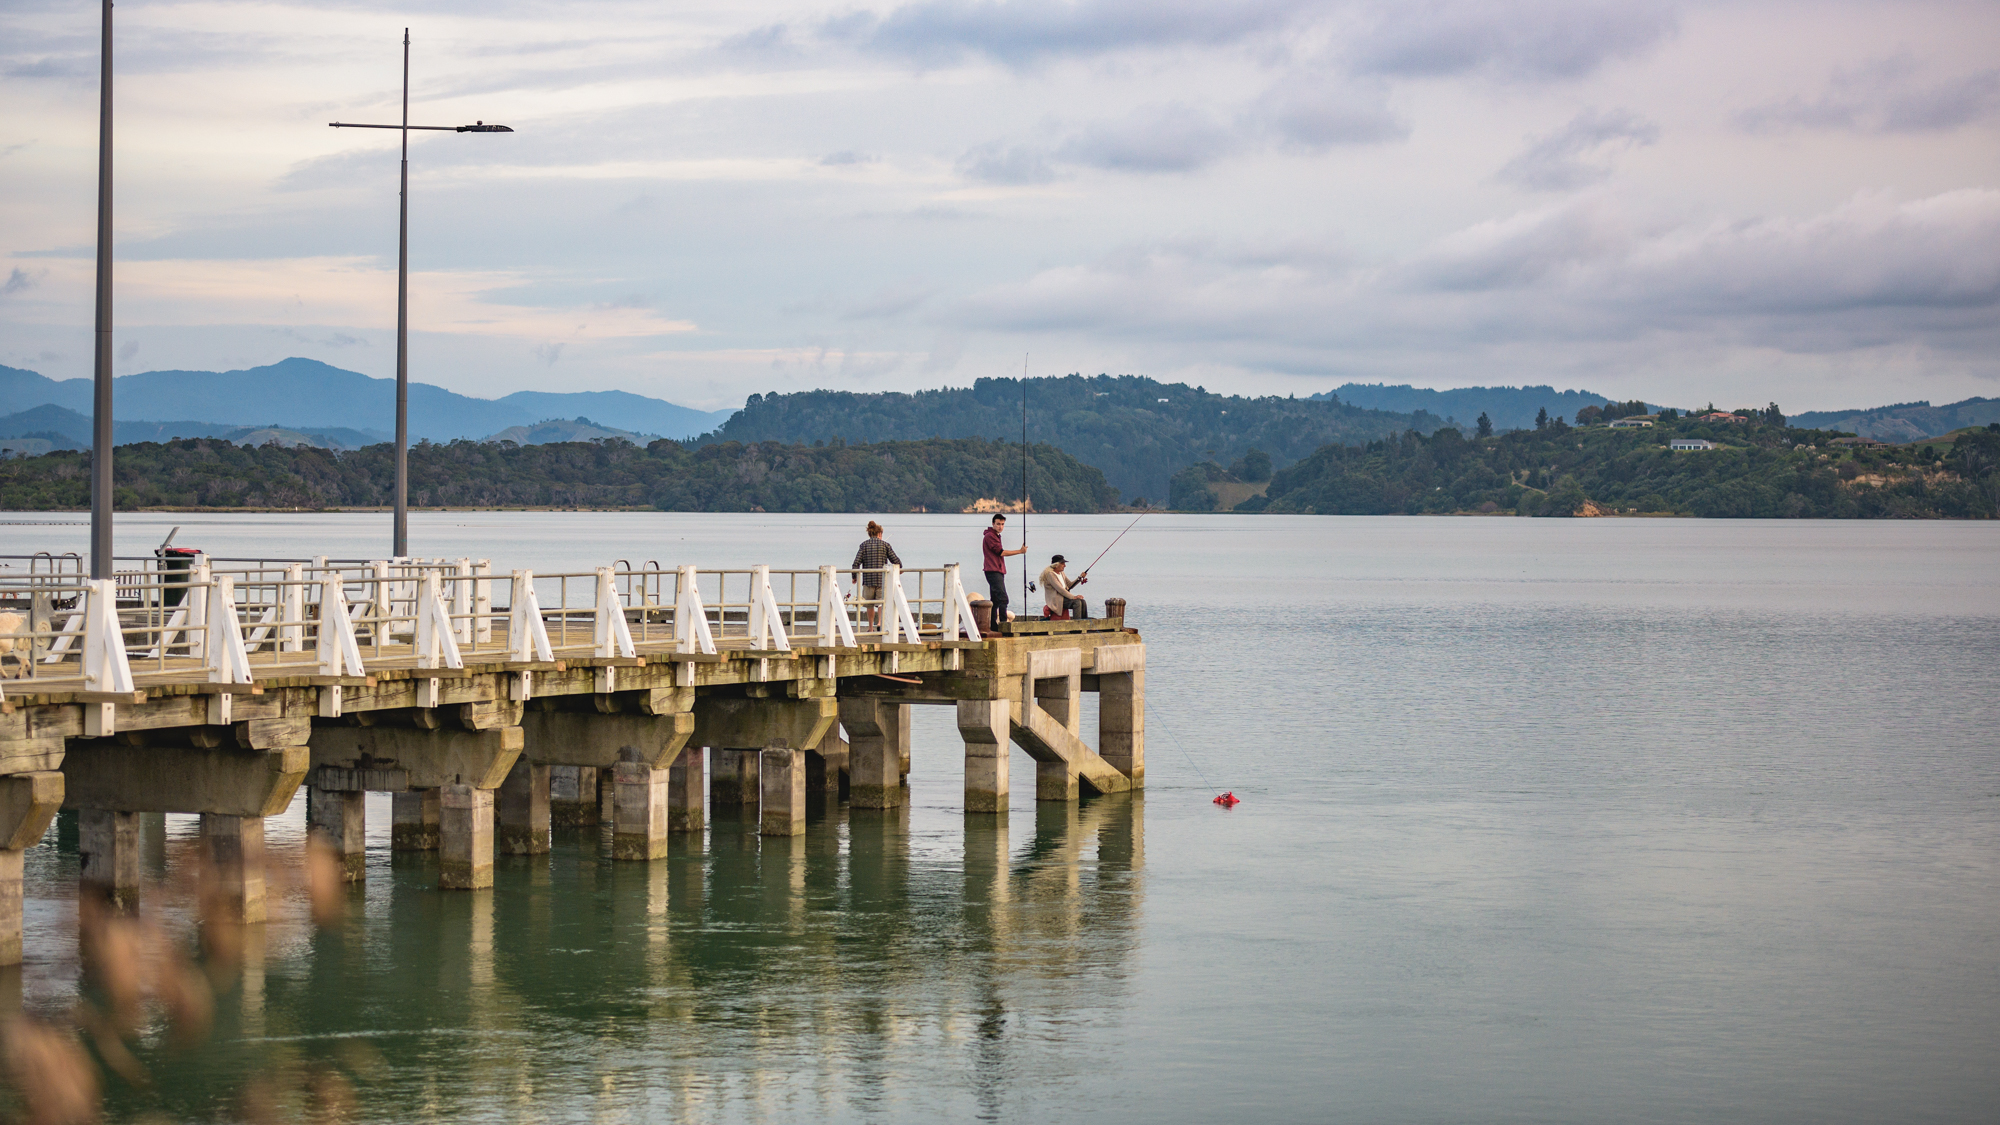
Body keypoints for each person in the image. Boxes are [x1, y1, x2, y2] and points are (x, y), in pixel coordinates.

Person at [850, 520, 901, 631]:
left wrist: (854, 576)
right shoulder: (885, 545)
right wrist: (899, 569)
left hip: (868, 580)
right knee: (881, 603)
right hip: (882, 580)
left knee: (870, 604)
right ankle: (880, 623)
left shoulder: (863, 545)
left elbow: (856, 563)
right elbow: (896, 561)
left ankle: (870, 627)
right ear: (879, 534)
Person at [981, 513, 1026, 631]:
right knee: (1003, 599)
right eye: (998, 524)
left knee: (995, 600)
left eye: (1002, 524)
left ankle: (993, 626)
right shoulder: (990, 536)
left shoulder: (995, 536)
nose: (1000, 527)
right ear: (993, 524)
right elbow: (1001, 552)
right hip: (993, 570)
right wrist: (1020, 551)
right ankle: (1003, 625)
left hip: (997, 570)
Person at [1040, 554, 1088, 619]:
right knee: (1077, 603)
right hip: (1056, 600)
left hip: (1064, 598)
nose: (1065, 566)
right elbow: (1060, 590)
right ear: (1056, 565)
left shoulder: (1061, 573)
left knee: (1082, 601)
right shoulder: (1050, 575)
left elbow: (1070, 585)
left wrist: (1080, 578)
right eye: (1063, 564)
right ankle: (1077, 625)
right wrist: (1073, 597)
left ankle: (1084, 623)